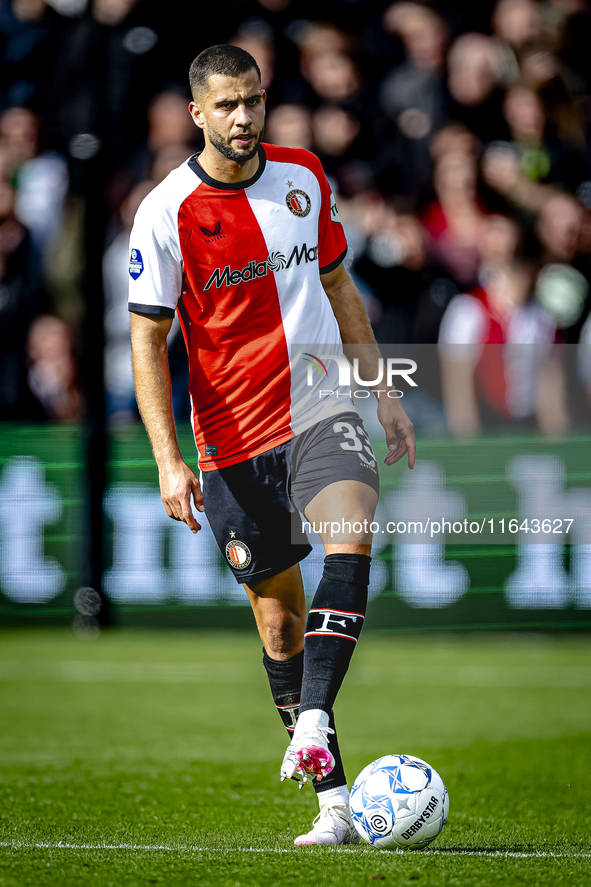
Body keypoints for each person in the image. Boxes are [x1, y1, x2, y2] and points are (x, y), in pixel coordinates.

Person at [128, 44, 415, 847]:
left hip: (324, 407)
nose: (244, 117)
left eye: (252, 100)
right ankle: (333, 804)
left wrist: (383, 391)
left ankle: (315, 714)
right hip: (228, 442)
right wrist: (166, 456)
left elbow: (337, 287)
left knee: (350, 537)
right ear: (197, 114)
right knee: (279, 627)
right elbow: (146, 344)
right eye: (226, 105)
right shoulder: (166, 210)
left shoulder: (304, 177)